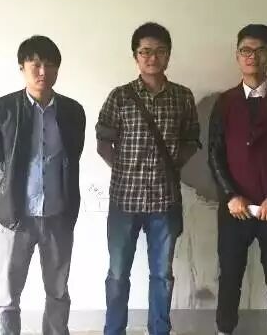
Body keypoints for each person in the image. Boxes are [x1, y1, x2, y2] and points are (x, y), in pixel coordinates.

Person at [96, 22, 201, 335]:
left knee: (162, 275)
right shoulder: (120, 97)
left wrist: (174, 164)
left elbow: (192, 139)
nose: (152, 57)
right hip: (124, 200)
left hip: (164, 201)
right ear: (135, 56)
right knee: (118, 274)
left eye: (159, 51)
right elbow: (103, 140)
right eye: (145, 52)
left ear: (168, 55)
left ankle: (159, 330)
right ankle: (114, 330)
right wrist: (124, 168)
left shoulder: (182, 97)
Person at [0, 35, 86, 335]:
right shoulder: (3, 109)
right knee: (8, 293)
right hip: (16, 218)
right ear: (22, 68)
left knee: (58, 290)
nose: (42, 72)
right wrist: (8, 188)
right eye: (35, 64)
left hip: (58, 216)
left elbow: (72, 157)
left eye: (50, 65)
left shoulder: (72, 111)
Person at [208, 24, 267, 335]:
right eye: (246, 50)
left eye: (260, 50)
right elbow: (214, 154)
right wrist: (230, 194)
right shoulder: (224, 102)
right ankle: (224, 330)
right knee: (229, 278)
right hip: (234, 209)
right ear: (237, 56)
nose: (253, 56)